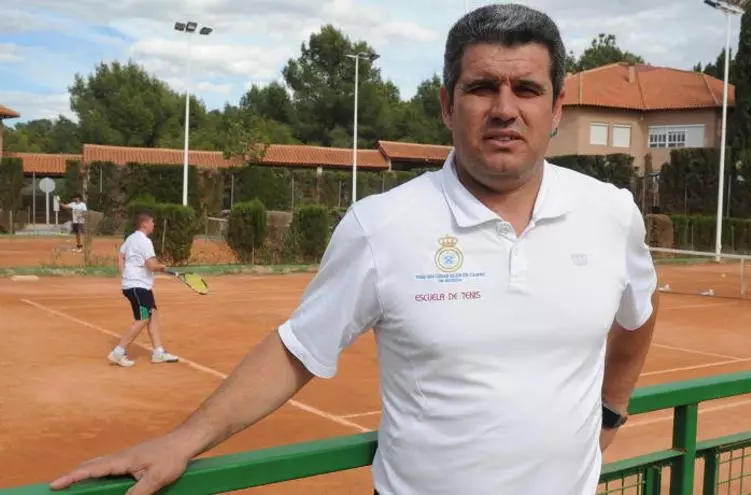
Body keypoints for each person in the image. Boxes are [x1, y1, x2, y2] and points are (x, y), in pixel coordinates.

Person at [50, 4, 658, 494]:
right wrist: (183, 440)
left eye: (526, 88)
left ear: (556, 108)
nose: (504, 109)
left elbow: (639, 314)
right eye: (481, 88)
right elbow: (297, 348)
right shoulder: (382, 225)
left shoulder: (611, 213)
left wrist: (611, 408)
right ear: (447, 105)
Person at [107, 210, 179, 368]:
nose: (154, 225)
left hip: (138, 286)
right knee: (143, 318)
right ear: (145, 224)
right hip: (138, 288)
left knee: (152, 314)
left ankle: (158, 352)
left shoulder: (131, 238)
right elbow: (152, 266)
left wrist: (124, 274)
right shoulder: (145, 242)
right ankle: (118, 352)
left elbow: (121, 255)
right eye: (152, 222)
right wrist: (162, 267)